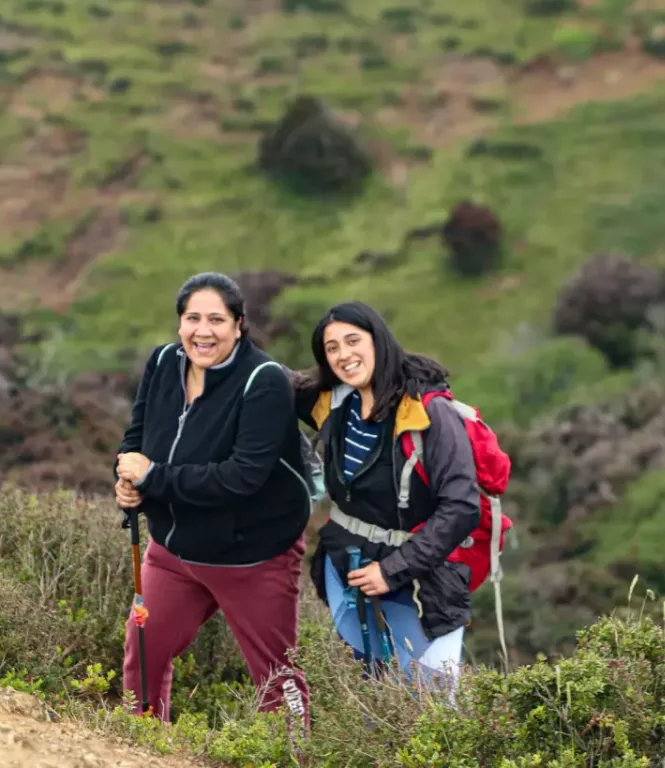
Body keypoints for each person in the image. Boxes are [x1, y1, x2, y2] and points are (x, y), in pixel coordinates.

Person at [113, 271, 312, 726]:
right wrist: (125, 478)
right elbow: (136, 440)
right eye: (192, 318)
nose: (203, 331)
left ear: (239, 325)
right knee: (143, 653)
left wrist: (155, 477)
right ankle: (141, 751)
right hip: (173, 552)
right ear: (179, 323)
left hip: (251, 557)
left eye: (217, 320)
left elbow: (242, 478)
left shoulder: (263, 381)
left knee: (277, 680)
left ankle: (292, 757)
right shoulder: (163, 362)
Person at [294, 300, 480, 692]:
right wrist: (213, 338)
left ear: (378, 340)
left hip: (420, 583)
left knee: (431, 706)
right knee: (367, 691)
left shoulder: (430, 413)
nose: (343, 355)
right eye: (331, 348)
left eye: (352, 341)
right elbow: (267, 378)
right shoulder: (334, 402)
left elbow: (462, 507)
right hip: (345, 568)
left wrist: (391, 571)